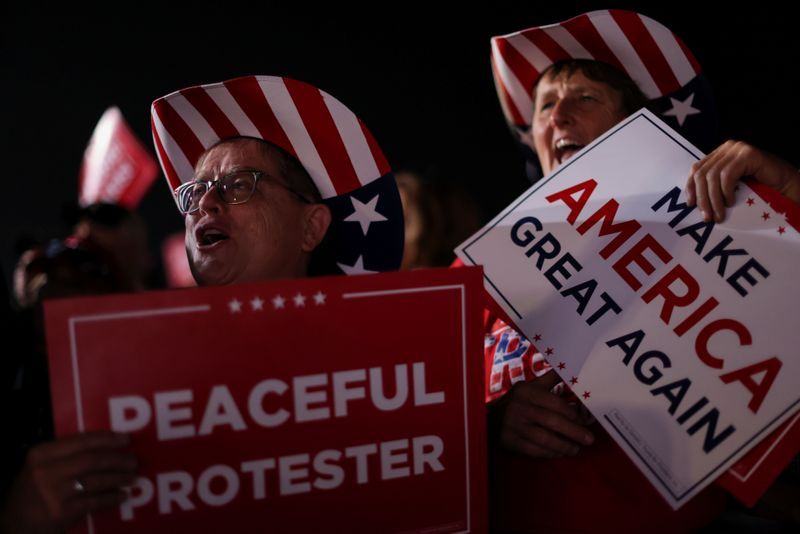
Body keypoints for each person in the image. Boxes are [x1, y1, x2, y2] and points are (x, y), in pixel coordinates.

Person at [0, 75, 404, 533]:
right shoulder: (116, 384)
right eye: (194, 193)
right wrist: (23, 518)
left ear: (311, 227)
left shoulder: (393, 377)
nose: (205, 203)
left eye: (238, 185)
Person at [483, 9, 800, 532]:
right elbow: (417, 411)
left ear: (636, 129)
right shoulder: (483, 262)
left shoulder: (707, 227)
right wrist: (488, 422)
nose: (557, 117)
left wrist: (787, 188)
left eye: (585, 98)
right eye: (544, 105)